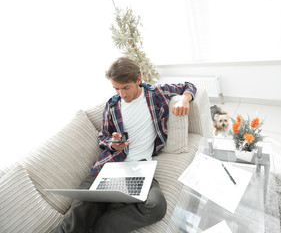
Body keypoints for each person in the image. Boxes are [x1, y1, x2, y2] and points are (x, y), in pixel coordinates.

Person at [53, 57, 197, 233]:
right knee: (80, 210)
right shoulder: (112, 106)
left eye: (126, 87)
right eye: (116, 88)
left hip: (140, 169)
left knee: (156, 207)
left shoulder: (155, 94)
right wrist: (112, 144)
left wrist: (184, 99)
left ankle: (100, 228)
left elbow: (188, 85)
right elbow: (103, 136)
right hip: (109, 167)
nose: (122, 94)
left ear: (138, 80)